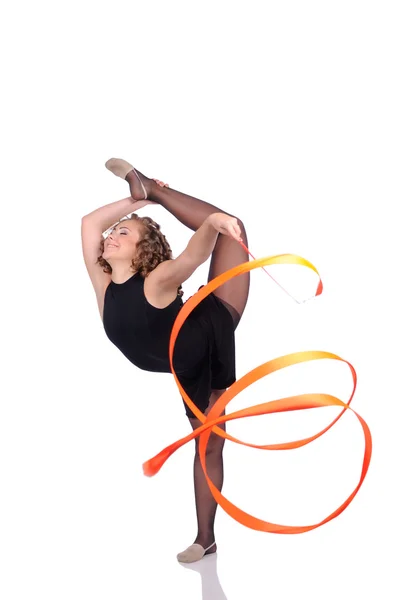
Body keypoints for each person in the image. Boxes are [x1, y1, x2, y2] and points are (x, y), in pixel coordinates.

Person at [81, 158, 250, 563]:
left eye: (124, 232)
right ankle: (147, 190)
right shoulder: (103, 283)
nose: (112, 234)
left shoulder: (156, 281)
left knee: (209, 445)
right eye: (115, 231)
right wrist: (132, 202)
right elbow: (89, 223)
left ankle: (204, 538)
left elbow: (193, 257)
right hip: (183, 361)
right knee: (206, 441)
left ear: (143, 252)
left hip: (210, 327)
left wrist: (212, 225)